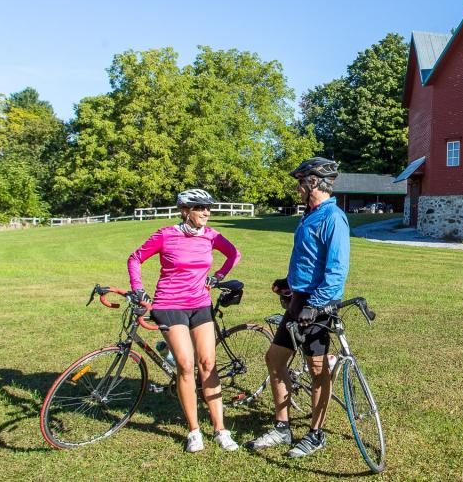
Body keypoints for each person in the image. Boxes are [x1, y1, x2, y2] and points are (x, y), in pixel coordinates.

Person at [247, 157, 350, 458]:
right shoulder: (310, 215)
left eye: (301, 182)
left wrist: (315, 304)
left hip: (317, 305)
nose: (298, 188)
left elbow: (337, 269)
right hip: (298, 301)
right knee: (274, 359)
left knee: (317, 370)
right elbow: (308, 259)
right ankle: (282, 428)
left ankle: (316, 435)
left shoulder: (333, 218)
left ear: (315, 182)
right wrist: (289, 282)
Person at [128, 188, 242, 453]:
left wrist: (217, 277)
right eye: (200, 208)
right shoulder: (165, 235)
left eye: (208, 208)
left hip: (200, 303)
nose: (206, 212)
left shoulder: (211, 235)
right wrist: (138, 289)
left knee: (208, 363)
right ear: (185, 210)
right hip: (169, 304)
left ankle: (220, 429)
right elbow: (135, 258)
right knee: (186, 364)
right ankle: (194, 431)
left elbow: (234, 254)